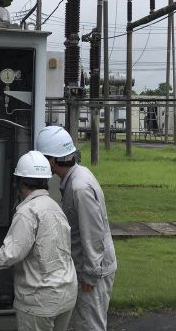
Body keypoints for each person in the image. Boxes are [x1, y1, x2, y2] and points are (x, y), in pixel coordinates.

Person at [0, 150, 77, 331]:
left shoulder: (27, 212)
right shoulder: (55, 207)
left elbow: (10, 255)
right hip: (66, 294)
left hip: (40, 301)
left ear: (19, 182)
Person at [36, 126, 117, 331]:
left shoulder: (79, 187)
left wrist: (91, 273)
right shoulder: (77, 176)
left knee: (90, 325)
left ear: (52, 161)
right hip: (89, 266)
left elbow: (93, 232)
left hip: (94, 270)